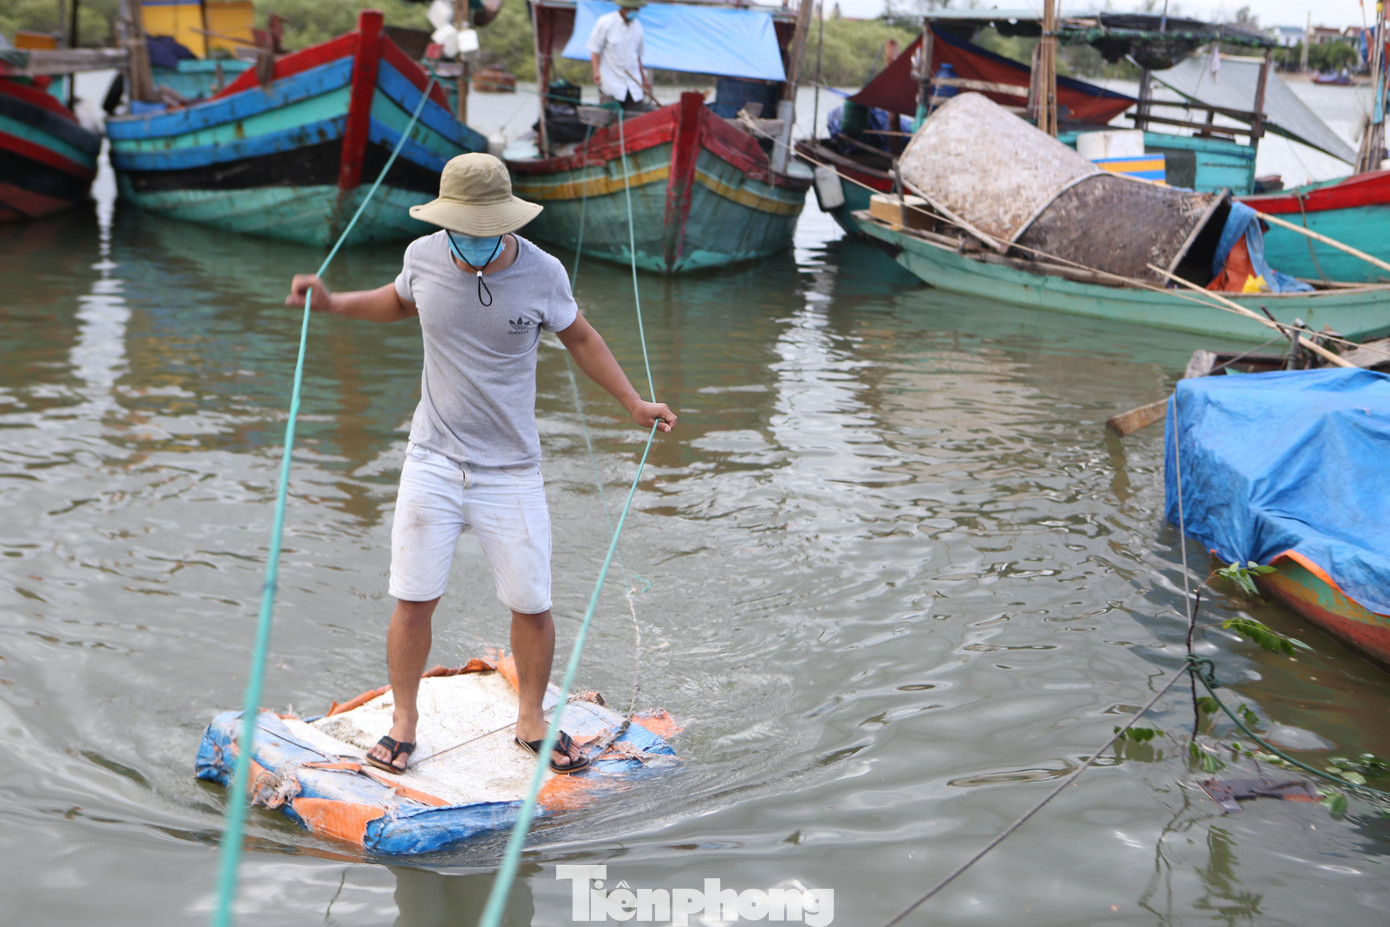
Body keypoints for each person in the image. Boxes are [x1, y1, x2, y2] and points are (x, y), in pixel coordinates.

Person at [285, 153, 676, 776]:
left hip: (510, 470)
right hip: (432, 461)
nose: (469, 238)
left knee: (531, 603)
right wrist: (331, 305)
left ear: (505, 222)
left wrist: (633, 404)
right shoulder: (423, 256)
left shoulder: (543, 273)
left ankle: (531, 721)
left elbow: (582, 337)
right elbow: (396, 302)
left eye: (482, 227)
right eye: (460, 227)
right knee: (413, 598)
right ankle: (404, 722)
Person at [587, 0, 654, 112]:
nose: (637, 12)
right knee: (610, 118)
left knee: (636, 119)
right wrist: (596, 73)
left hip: (634, 85)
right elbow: (594, 50)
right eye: (635, 9)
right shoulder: (606, 22)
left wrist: (644, 79)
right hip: (611, 83)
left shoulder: (637, 26)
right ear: (625, 8)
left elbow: (638, 56)